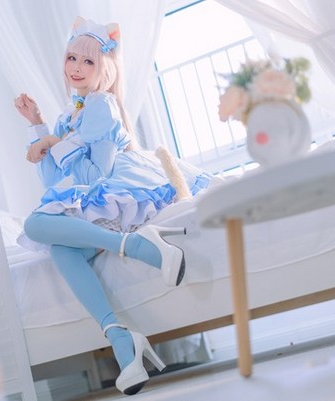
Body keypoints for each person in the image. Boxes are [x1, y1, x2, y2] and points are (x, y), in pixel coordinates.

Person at [14, 17, 210, 395]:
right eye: (72, 58)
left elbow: (95, 176)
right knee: (61, 249)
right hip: (98, 205)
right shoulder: (70, 115)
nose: (77, 67)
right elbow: (56, 183)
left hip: (119, 193)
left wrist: (54, 142)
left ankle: (137, 245)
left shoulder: (101, 105)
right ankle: (121, 338)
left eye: (89, 61)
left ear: (105, 68)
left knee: (35, 225)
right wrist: (39, 126)